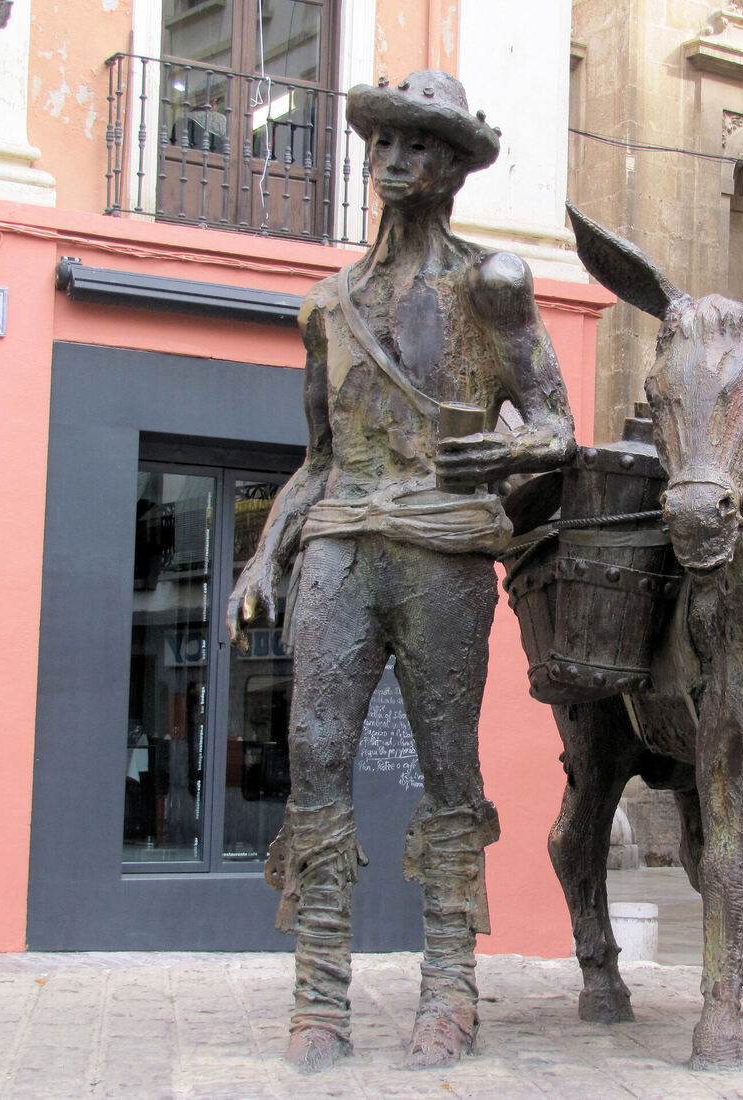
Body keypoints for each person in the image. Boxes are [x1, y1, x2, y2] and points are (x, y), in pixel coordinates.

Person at [227, 70, 575, 1072]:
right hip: (342, 535)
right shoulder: (325, 307)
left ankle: (450, 985)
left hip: (444, 548)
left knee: (446, 763)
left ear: (455, 166)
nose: (392, 159)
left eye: (418, 143)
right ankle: (319, 992)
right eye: (381, 140)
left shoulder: (491, 284)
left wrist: (504, 455)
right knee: (316, 748)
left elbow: (555, 425)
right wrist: (264, 551)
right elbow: (318, 459)